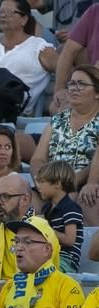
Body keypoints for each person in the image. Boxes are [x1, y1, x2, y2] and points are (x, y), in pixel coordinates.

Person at [30, 65, 99, 226]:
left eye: (82, 84)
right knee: (20, 195)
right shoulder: (57, 120)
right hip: (51, 183)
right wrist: (44, 181)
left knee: (88, 201)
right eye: (72, 83)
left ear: (97, 93)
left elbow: (95, 162)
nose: (74, 88)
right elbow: (37, 159)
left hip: (84, 184)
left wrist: (69, 183)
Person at [36, 160, 84, 273]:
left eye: (42, 182)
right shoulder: (46, 208)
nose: (38, 187)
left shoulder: (71, 208)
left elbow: (70, 240)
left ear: (57, 184)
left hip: (66, 260)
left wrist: (45, 228)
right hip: (48, 256)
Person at [52, 4, 99, 113]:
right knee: (56, 108)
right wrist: (59, 89)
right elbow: (68, 51)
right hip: (93, 86)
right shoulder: (94, 11)